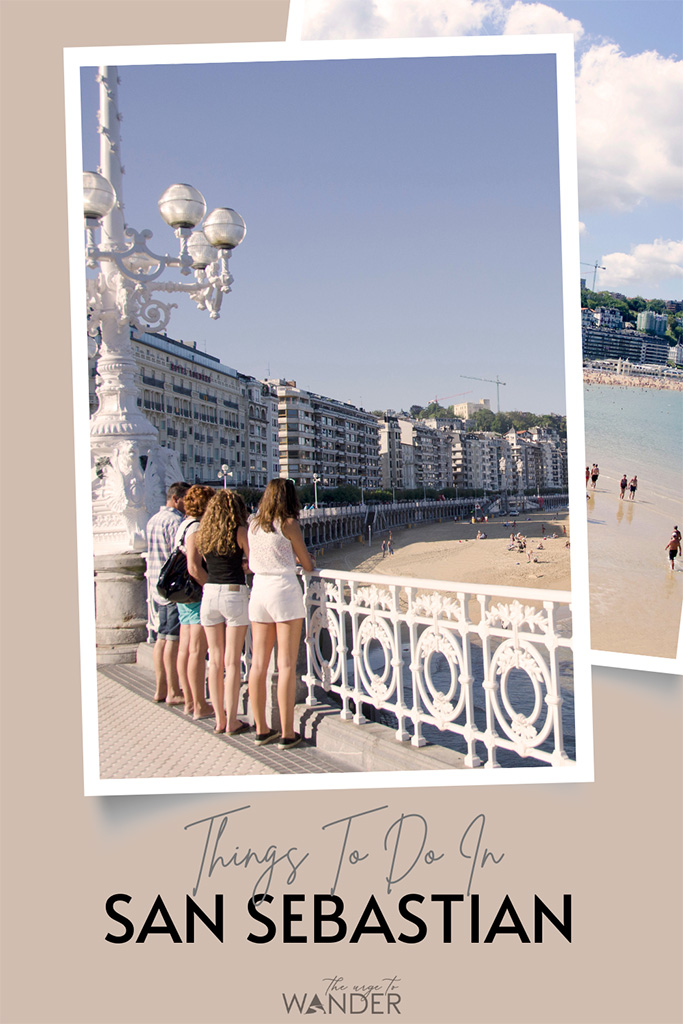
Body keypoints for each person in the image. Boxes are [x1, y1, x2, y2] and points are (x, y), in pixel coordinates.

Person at [247, 479, 315, 750]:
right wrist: (303, 560)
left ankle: (262, 728)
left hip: (259, 592)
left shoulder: (253, 524)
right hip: (283, 592)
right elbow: (306, 563)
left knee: (258, 664)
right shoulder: (288, 524)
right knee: (285, 664)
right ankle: (287, 732)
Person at [196, 490, 251, 735]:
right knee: (232, 661)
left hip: (209, 594)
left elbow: (198, 565)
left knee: (215, 660)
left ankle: (219, 719)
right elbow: (254, 563)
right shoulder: (239, 532)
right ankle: (232, 721)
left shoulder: (202, 534)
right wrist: (242, 566)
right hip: (233, 593)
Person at [145, 481, 190, 704]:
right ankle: (174, 691)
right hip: (173, 589)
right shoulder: (175, 521)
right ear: (176, 499)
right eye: (186, 499)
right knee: (173, 638)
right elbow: (180, 555)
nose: (188, 504)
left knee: (161, 638)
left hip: (157, 586)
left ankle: (160, 689)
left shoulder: (153, 520)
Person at [175, 484, 215, 720]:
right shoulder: (196, 527)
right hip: (196, 594)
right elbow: (193, 566)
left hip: (184, 595)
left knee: (186, 649)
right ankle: (199, 704)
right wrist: (209, 587)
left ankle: (190, 701)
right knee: (197, 651)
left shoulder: (183, 525)